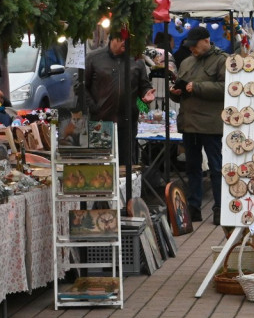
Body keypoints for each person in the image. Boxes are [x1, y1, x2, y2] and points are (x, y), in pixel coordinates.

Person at [169, 25, 227, 224]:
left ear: (206, 41)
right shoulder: (186, 62)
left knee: (216, 168)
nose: (192, 49)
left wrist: (197, 87)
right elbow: (183, 91)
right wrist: (175, 93)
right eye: (190, 46)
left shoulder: (222, 60)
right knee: (192, 168)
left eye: (195, 45)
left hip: (211, 125)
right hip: (189, 124)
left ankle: (219, 208)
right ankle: (194, 207)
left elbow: (226, 88)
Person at [84, 34, 156, 164]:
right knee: (102, 164)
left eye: (127, 40)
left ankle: (124, 185)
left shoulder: (136, 60)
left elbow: (144, 85)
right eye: (121, 39)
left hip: (127, 123)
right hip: (101, 123)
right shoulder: (93, 58)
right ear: (112, 40)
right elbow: (82, 87)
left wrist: (146, 95)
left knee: (126, 164)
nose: (125, 43)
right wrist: (94, 107)